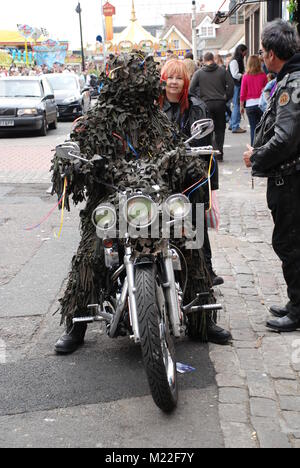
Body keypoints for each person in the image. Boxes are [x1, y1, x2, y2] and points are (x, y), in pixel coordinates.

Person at [159, 59, 231, 345]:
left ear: (186, 80)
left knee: (198, 250)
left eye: (179, 78)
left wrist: (212, 193)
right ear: (162, 80)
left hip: (190, 189)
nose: (174, 83)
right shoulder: (151, 109)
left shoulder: (197, 108)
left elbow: (209, 156)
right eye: (169, 78)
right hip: (159, 188)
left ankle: (204, 321)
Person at [244, 19, 300, 332]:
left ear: (273, 54)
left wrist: (257, 155)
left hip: (291, 180)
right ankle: (296, 302)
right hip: (290, 178)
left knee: (289, 243)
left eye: (264, 51)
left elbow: (286, 138)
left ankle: (298, 309)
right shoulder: (290, 77)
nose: (263, 56)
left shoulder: (291, 84)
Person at [190, 52, 234, 161]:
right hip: (220, 103)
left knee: (207, 129)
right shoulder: (223, 71)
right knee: (220, 129)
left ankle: (210, 152)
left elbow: (191, 89)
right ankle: (219, 153)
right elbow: (231, 86)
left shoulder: (199, 73)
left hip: (206, 104)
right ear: (213, 59)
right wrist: (226, 97)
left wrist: (199, 100)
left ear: (204, 60)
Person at [240, 55, 268, 145]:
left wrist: (241, 106)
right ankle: (262, 146)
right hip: (261, 104)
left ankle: (253, 147)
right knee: (262, 127)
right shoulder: (263, 75)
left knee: (253, 128)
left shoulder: (245, 76)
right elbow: (267, 90)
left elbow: (243, 92)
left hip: (249, 105)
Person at [229, 44, 248, 133]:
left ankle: (232, 124)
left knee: (236, 105)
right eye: (245, 52)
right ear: (241, 51)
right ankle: (235, 126)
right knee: (237, 105)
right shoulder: (235, 61)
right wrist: (244, 75)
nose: (245, 54)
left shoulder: (236, 60)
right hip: (236, 85)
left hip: (236, 85)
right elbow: (235, 75)